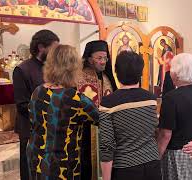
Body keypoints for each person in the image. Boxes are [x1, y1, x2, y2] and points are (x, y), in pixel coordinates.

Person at [27, 44, 99, 179]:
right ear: (73, 68)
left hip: (36, 158)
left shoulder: (37, 91)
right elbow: (102, 118)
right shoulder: (76, 99)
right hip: (61, 166)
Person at [99, 51, 161, 180]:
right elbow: (154, 131)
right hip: (152, 165)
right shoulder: (151, 99)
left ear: (116, 72)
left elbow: (106, 145)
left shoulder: (108, 103)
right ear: (141, 73)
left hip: (125, 168)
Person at [13, 29, 59, 180]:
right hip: (30, 129)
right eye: (53, 48)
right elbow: (22, 104)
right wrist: (48, 112)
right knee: (30, 170)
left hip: (50, 128)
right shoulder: (22, 70)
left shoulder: (52, 69)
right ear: (41, 47)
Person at [157, 53, 192, 180]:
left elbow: (165, 135)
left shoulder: (171, 98)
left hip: (179, 156)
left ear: (176, 72)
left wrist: (156, 158)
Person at [78, 40, 117, 180]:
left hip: (105, 130)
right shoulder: (79, 77)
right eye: (99, 58)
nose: (103, 62)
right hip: (85, 131)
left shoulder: (107, 78)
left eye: (105, 58)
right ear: (89, 59)